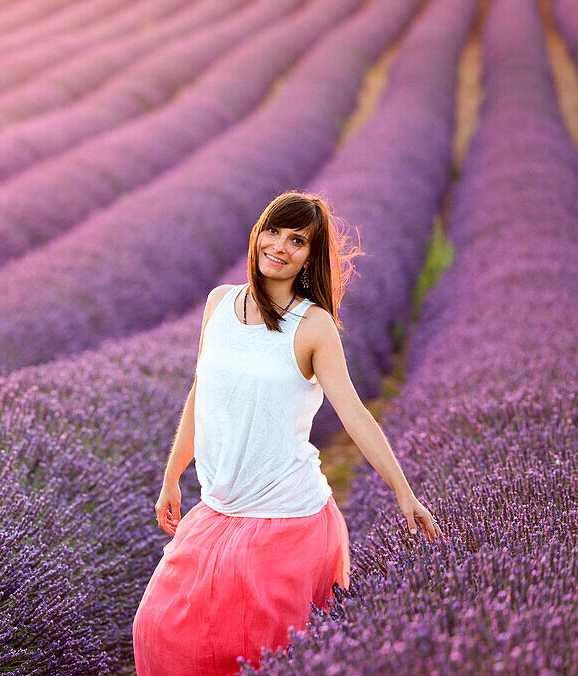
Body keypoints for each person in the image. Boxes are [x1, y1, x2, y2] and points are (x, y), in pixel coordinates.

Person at [131, 191, 441, 675]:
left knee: (259, 655)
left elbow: (355, 413)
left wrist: (404, 492)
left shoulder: (313, 326)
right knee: (161, 633)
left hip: (286, 522)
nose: (279, 246)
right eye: (273, 230)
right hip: (217, 510)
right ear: (258, 233)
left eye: (298, 240)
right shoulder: (219, 303)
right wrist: (173, 476)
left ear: (310, 259)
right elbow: (201, 394)